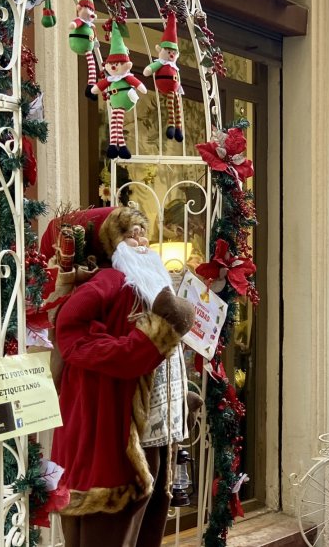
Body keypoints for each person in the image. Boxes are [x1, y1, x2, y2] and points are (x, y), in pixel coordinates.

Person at [47, 206, 196, 547]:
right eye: (131, 235)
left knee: (148, 526)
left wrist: (181, 399)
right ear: (111, 246)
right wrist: (151, 337)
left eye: (144, 232)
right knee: (113, 530)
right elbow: (74, 338)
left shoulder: (148, 284)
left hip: (154, 434)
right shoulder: (109, 282)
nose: (143, 241)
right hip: (118, 437)